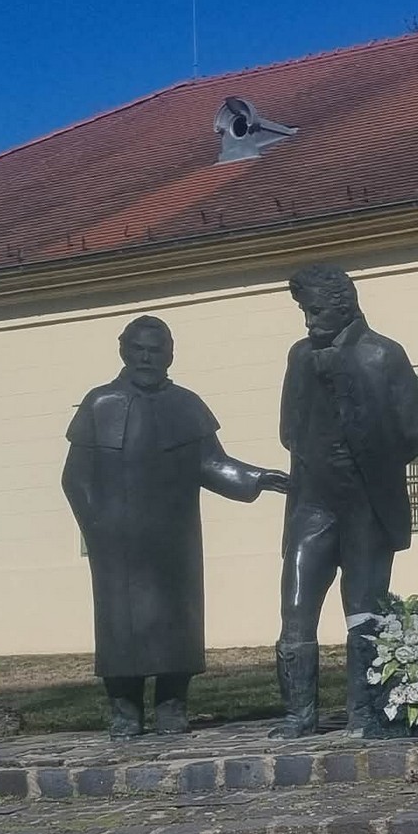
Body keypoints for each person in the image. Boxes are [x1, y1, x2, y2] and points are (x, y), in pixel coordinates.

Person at [63, 316, 287, 737]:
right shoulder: (99, 404)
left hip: (175, 537)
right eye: (139, 349)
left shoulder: (186, 404)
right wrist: (98, 529)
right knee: (120, 626)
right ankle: (125, 709)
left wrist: (257, 478)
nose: (147, 358)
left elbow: (211, 464)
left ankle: (172, 704)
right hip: (117, 542)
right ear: (124, 351)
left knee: (176, 622)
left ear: (170, 355)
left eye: (156, 350)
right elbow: (75, 479)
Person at [275, 263, 418, 738]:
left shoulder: (384, 354)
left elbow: (415, 431)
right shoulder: (300, 356)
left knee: (363, 608)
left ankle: (363, 711)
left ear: (343, 306)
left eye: (316, 311)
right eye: (304, 311)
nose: (309, 321)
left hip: (367, 501)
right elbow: (288, 429)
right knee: (296, 603)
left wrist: (362, 439)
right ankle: (299, 714)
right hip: (313, 501)